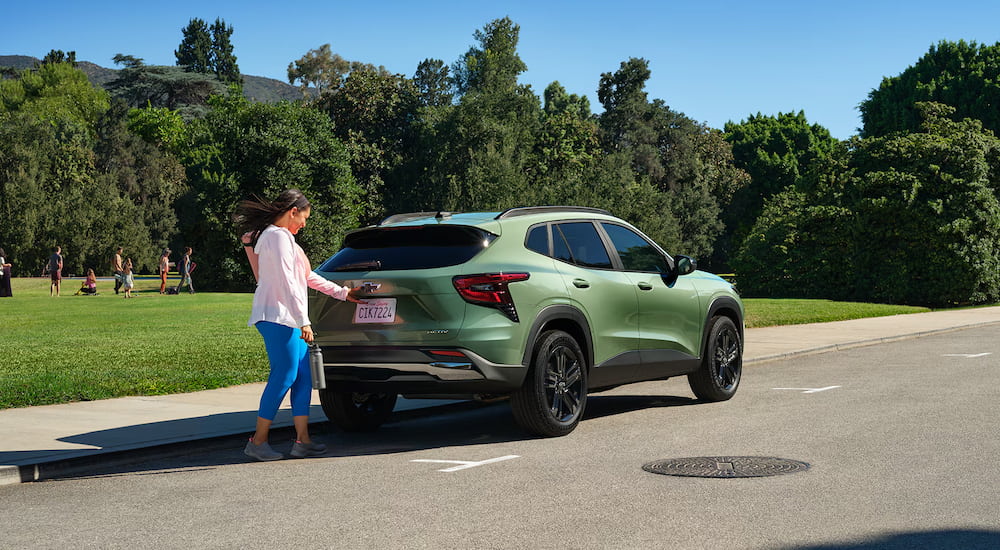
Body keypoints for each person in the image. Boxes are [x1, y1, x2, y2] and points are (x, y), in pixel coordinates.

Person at [233, 189, 364, 461]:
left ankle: (302, 441)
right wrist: (303, 321)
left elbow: (307, 277)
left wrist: (343, 293)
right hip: (278, 317)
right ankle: (257, 442)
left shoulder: (283, 240)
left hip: (284, 317)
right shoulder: (277, 237)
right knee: (284, 375)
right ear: (293, 211)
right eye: (303, 217)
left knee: (303, 376)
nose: (304, 224)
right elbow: (288, 283)